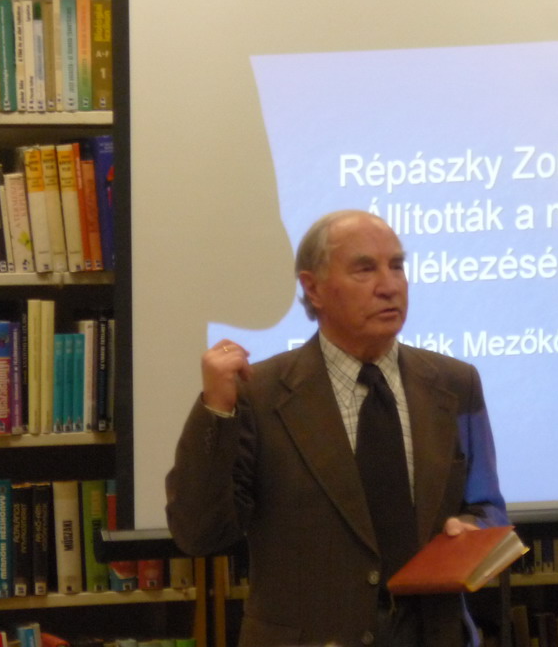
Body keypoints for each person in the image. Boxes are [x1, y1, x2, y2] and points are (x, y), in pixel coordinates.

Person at [166, 209, 508, 647]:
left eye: (397, 266)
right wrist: (215, 411)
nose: (389, 285)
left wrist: (473, 533)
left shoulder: (456, 384)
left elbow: (487, 507)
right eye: (365, 269)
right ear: (313, 288)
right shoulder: (260, 395)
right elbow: (200, 532)